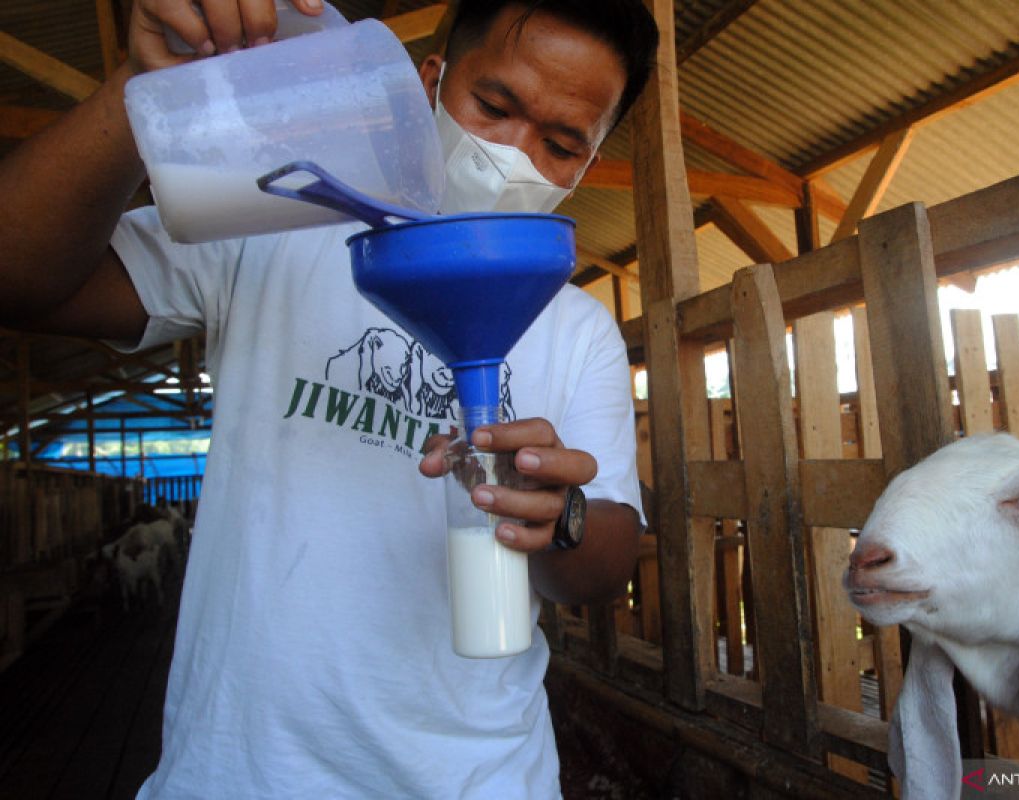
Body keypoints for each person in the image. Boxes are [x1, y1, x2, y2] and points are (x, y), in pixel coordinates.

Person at [0, 0, 659, 796]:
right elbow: (21, 278)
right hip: (244, 773)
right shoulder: (271, 225)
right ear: (428, 84)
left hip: (479, 777)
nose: (511, 156)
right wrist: (146, 93)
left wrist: (562, 517)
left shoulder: (576, 325)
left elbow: (600, 564)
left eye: (560, 146)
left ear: (587, 166)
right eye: (493, 107)